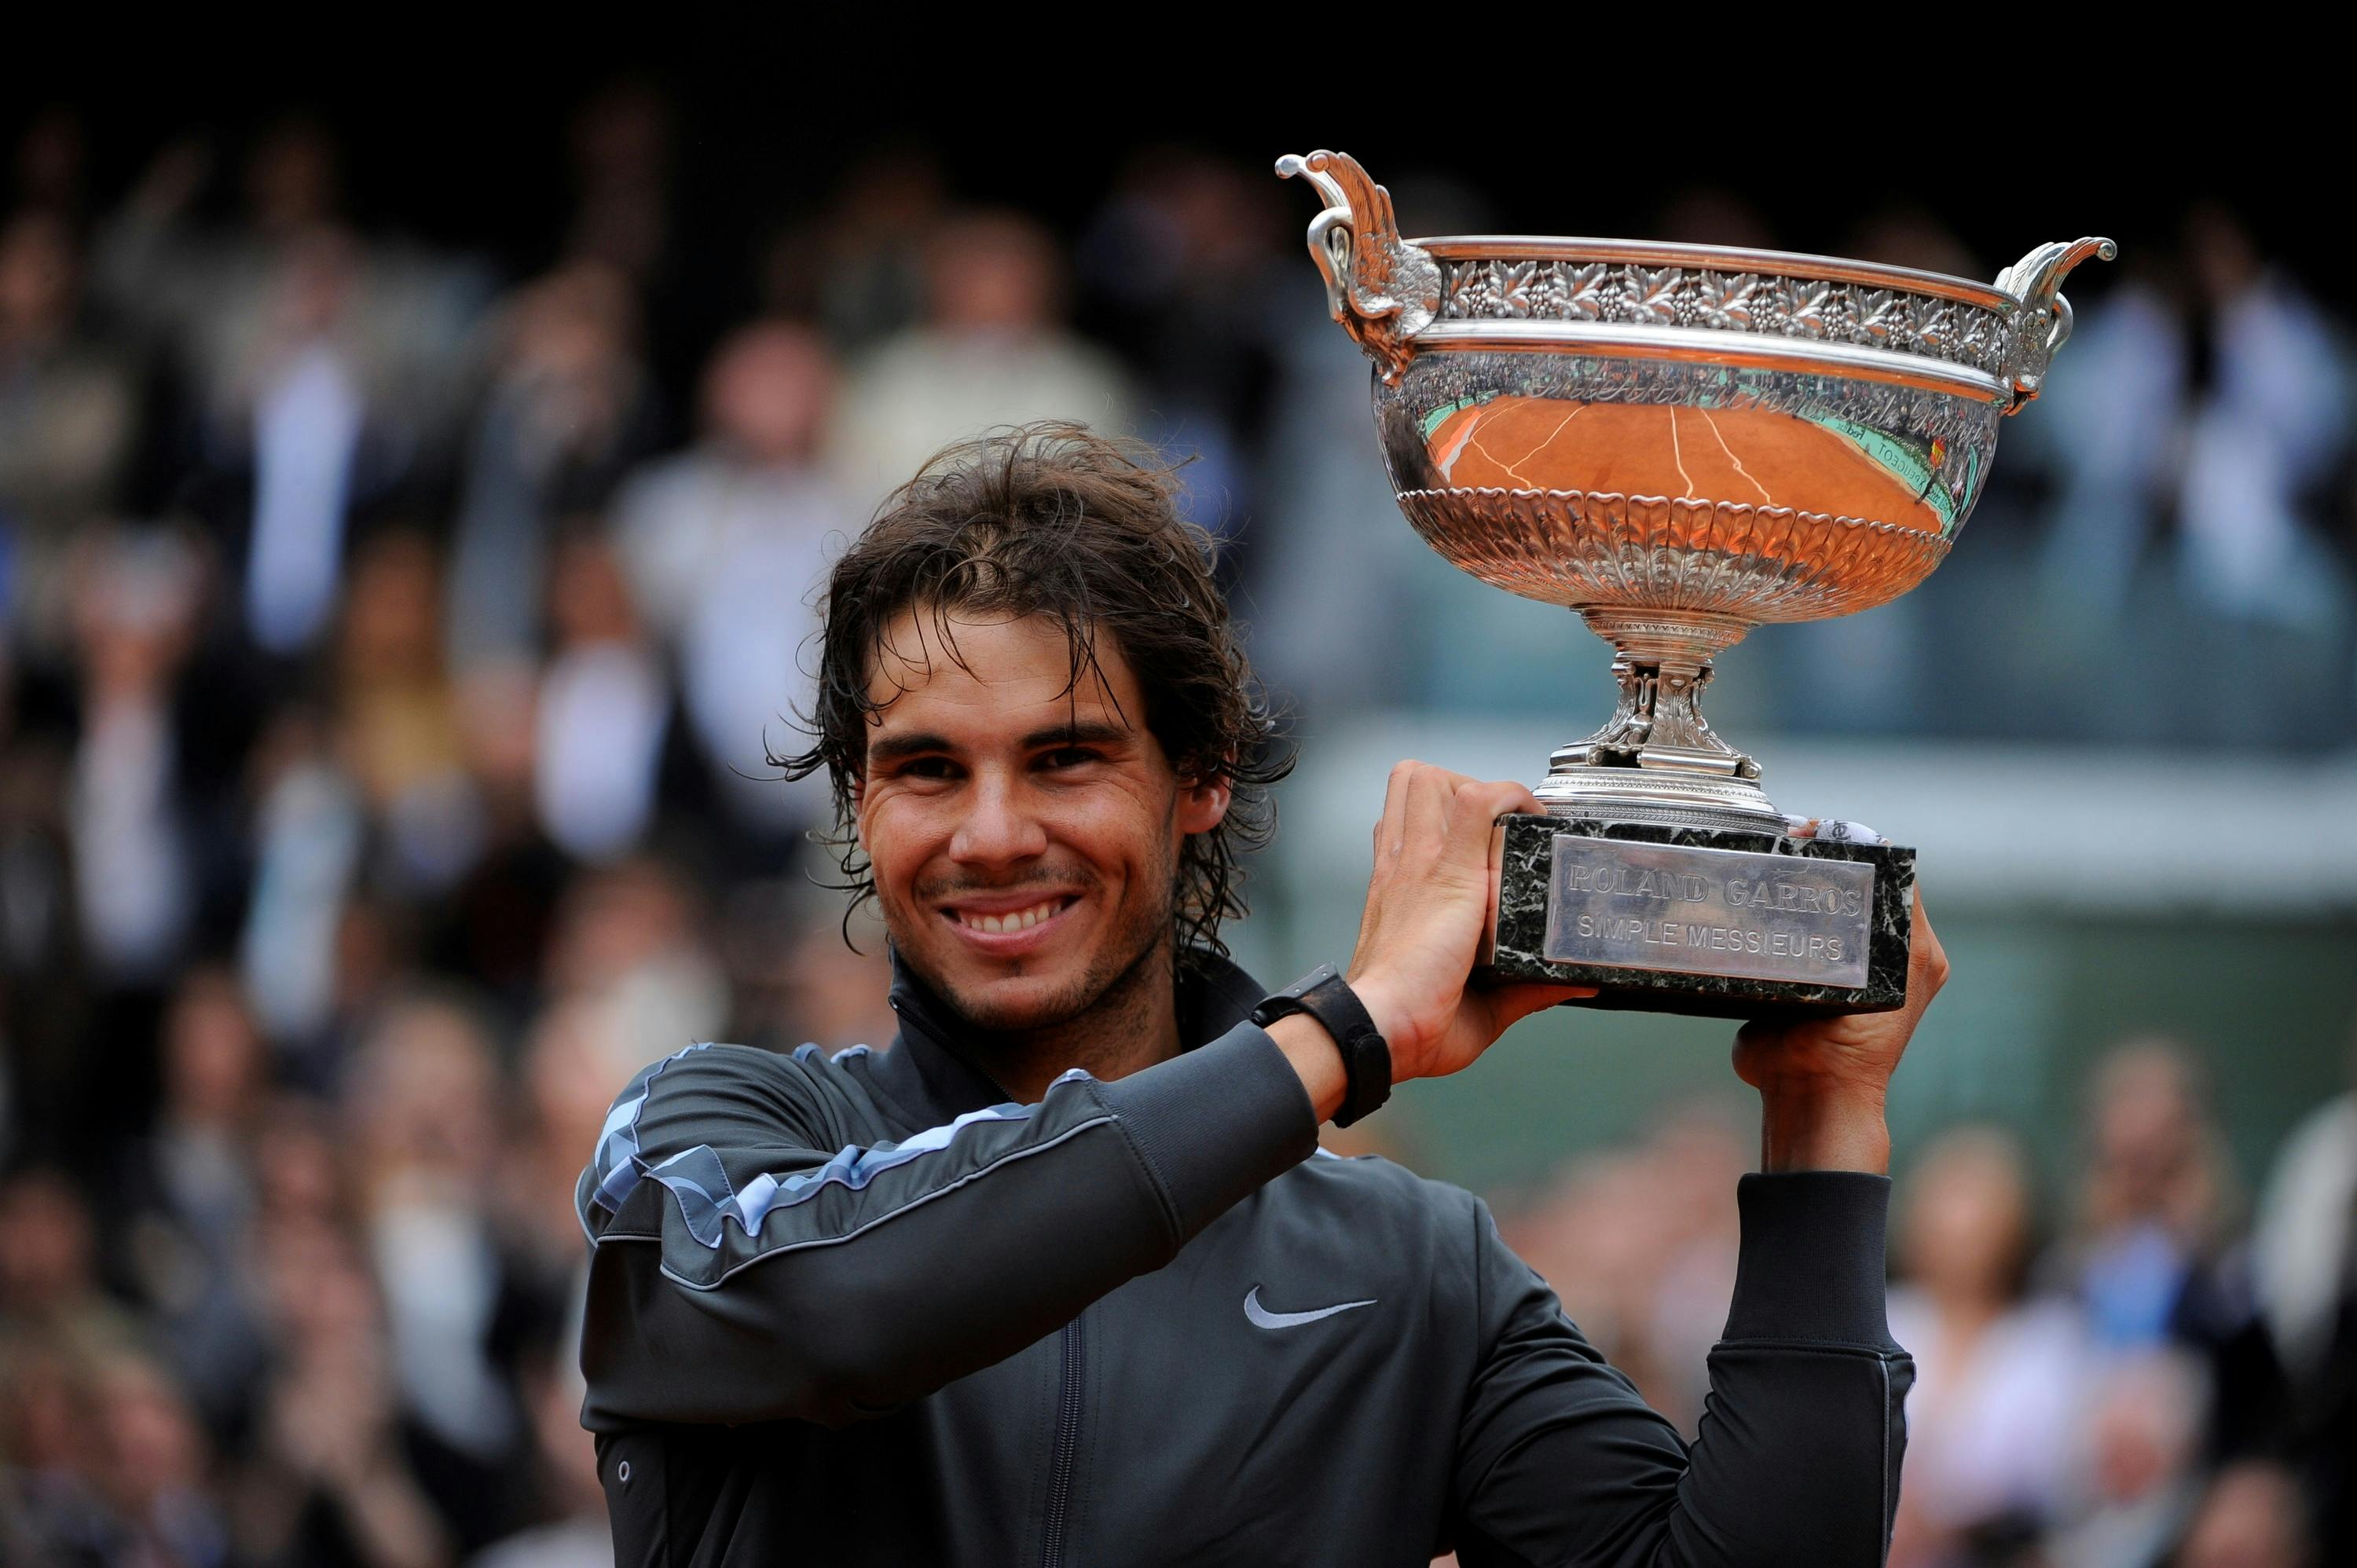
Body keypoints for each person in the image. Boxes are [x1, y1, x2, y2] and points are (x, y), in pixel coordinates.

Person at [574, 423, 1948, 1566]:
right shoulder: (710, 1139)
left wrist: (1827, 1122)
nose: (990, 833)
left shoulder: (1412, 1271)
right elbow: (839, 1316)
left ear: (1203, 782)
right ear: (859, 805)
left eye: (1064, 760)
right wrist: (1344, 1036)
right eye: (929, 769)